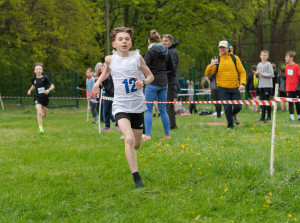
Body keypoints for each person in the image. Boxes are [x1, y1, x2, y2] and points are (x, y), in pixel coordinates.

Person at [92, 27, 154, 188]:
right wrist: (97, 84)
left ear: (131, 43)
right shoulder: (110, 59)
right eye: (120, 39)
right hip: (120, 105)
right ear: (114, 44)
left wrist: (144, 82)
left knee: (137, 143)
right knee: (129, 139)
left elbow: (150, 75)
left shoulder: (137, 58)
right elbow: (105, 72)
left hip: (138, 106)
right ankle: (137, 179)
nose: (124, 41)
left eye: (126, 39)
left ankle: (132, 152)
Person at [205, 40, 246, 129]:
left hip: (235, 87)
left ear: (228, 48)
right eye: (220, 48)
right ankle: (230, 127)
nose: (222, 49)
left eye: (223, 47)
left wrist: (242, 83)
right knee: (227, 108)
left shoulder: (235, 58)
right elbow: (208, 73)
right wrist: (211, 65)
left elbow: (242, 72)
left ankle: (233, 115)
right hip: (222, 88)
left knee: (238, 107)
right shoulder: (217, 60)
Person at [143, 29, 173, 141]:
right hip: (164, 82)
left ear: (149, 40)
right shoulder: (166, 51)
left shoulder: (150, 52)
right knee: (163, 109)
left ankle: (148, 135)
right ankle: (167, 135)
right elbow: (171, 67)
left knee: (148, 109)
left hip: (152, 82)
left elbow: (144, 66)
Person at [27, 63, 55, 134]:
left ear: (42, 70)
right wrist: (30, 90)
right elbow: (34, 85)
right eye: (37, 69)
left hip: (45, 98)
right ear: (34, 71)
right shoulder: (33, 79)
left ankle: (44, 113)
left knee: (44, 114)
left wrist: (48, 90)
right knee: (39, 112)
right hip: (37, 97)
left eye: (40, 69)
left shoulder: (45, 78)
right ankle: (41, 129)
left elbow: (52, 86)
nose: (38, 70)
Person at [162, 33, 179, 130]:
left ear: (171, 42)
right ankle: (170, 124)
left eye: (166, 41)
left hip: (170, 81)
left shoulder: (172, 52)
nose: (164, 42)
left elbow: (172, 67)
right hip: (166, 80)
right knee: (167, 104)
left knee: (169, 104)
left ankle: (172, 125)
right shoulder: (167, 51)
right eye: (163, 41)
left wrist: (160, 72)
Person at [255, 50, 274, 123]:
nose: (263, 56)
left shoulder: (268, 64)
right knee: (262, 102)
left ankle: (268, 117)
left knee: (267, 101)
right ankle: (262, 117)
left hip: (268, 86)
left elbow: (271, 75)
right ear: (260, 56)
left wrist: (261, 74)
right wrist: (256, 75)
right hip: (261, 85)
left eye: (265, 55)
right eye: (262, 55)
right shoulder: (259, 64)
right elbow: (258, 75)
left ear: (267, 57)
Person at [101, 63, 119, 130]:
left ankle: (118, 125)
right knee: (106, 110)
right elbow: (102, 85)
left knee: (115, 110)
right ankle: (107, 125)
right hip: (106, 95)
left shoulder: (113, 74)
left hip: (114, 94)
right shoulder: (103, 75)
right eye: (103, 66)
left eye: (105, 66)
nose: (104, 67)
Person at [284, 51, 300, 122]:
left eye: (287, 57)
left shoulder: (296, 66)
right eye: (286, 57)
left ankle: (299, 117)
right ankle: (292, 118)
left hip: (296, 88)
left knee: (297, 103)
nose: (285, 58)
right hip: (288, 88)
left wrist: (298, 87)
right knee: (290, 102)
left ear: (292, 58)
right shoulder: (286, 67)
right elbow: (287, 77)